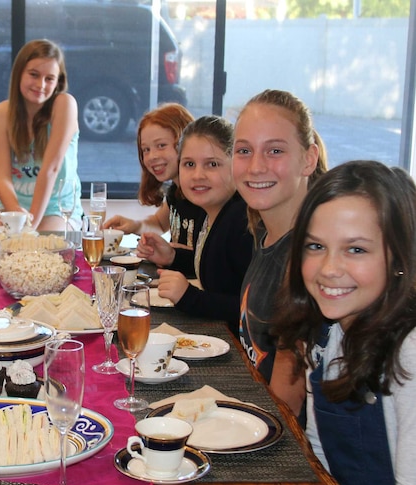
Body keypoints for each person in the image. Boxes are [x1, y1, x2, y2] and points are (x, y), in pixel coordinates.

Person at [272, 161, 416, 485]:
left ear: (399, 257)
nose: (330, 269)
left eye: (356, 249)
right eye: (315, 246)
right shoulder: (329, 333)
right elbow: (321, 452)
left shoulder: (409, 350)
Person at [233, 89, 327, 391]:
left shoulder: (308, 260)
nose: (256, 166)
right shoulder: (262, 230)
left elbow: (288, 405)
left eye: (275, 151)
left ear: (308, 159)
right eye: (244, 151)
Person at [134, 115, 252, 334]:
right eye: (189, 164)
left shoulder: (241, 222)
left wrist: (190, 298)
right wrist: (172, 257)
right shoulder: (211, 212)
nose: (198, 175)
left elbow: (256, 310)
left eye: (212, 164)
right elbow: (218, 267)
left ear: (236, 165)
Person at [0, 39, 83, 232]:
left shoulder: (65, 104)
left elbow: (51, 169)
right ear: (19, 74)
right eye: (34, 75)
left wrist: (29, 229)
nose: (41, 84)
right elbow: (2, 178)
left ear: (58, 82)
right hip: (12, 208)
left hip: (58, 209)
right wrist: (15, 214)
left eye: (49, 79)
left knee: (42, 251)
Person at [104, 103, 205, 250]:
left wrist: (170, 253)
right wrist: (134, 226)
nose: (152, 156)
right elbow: (158, 224)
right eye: (146, 149)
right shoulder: (175, 191)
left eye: (161, 145)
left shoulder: (204, 195)